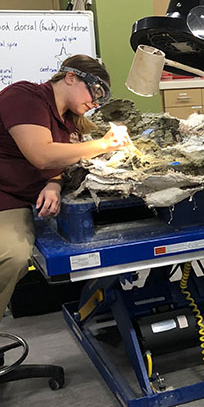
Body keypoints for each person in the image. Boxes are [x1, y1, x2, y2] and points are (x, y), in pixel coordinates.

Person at [0, 54, 129, 318]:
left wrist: (53, 183)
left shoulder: (69, 121)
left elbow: (58, 162)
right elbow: (42, 155)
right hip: (4, 194)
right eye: (94, 93)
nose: (94, 103)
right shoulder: (25, 97)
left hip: (24, 198)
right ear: (71, 78)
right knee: (12, 256)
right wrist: (104, 144)